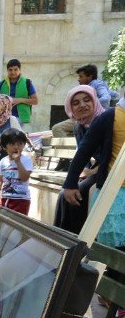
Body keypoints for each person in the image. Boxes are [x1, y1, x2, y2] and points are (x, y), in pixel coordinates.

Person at [54, 85, 106, 232]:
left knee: (78, 194)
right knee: (64, 194)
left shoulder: (105, 120)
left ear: (95, 101)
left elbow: (113, 155)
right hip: (98, 169)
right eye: (76, 103)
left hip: (113, 169)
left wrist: (92, 172)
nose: (82, 105)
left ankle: (76, 240)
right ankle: (59, 237)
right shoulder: (79, 126)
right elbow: (83, 154)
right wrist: (82, 173)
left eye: (87, 100)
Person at [0, 128, 33, 215]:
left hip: (21, 200)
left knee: (17, 226)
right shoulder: (3, 162)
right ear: (4, 147)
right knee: (2, 225)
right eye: (12, 144)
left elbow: (24, 178)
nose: (16, 147)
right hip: (4, 198)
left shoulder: (26, 160)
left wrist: (18, 162)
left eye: (20, 143)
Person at [0, 59, 37, 132]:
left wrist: (20, 100)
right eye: (10, 70)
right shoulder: (1, 84)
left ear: (19, 70)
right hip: (4, 119)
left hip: (22, 119)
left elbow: (35, 101)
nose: (13, 72)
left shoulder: (27, 83)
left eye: (15, 69)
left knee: (17, 140)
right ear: (7, 71)